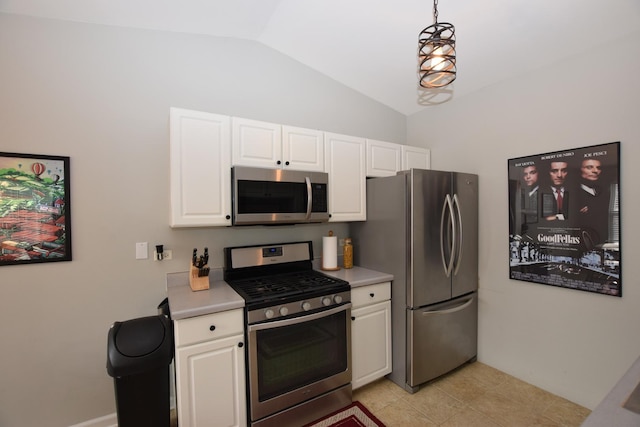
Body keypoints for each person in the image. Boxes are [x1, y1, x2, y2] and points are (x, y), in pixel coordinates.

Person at [576, 157, 610, 245]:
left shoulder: (606, 191)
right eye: (589, 167)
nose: (595, 171)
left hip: (602, 239)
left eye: (598, 168)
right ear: (581, 169)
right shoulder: (573, 191)